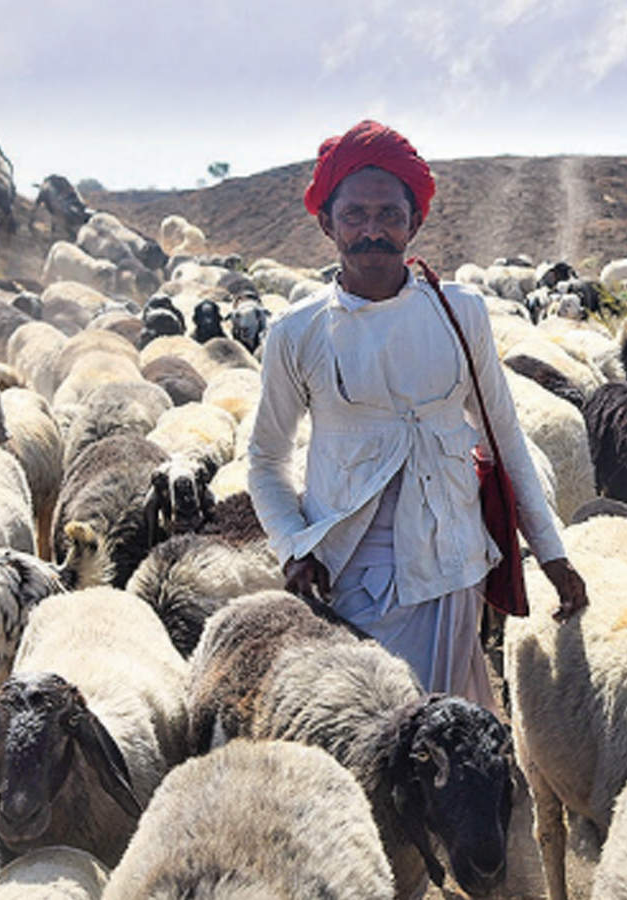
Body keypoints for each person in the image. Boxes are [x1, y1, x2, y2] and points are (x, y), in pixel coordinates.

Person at [247, 120, 587, 707]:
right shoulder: (295, 332)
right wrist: (293, 547)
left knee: (449, 745)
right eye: (354, 215)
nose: (372, 231)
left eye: (389, 215)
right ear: (327, 223)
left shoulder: (463, 313)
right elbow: (265, 460)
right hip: (346, 576)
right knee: (363, 734)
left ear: (415, 222)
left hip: (450, 568)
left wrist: (551, 554)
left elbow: (504, 438)